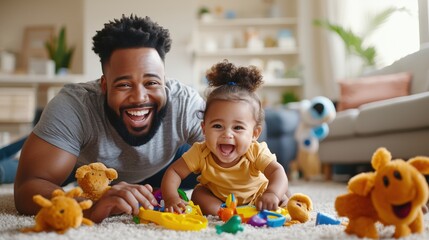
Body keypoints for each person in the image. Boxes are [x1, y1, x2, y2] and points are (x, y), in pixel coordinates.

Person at [14, 15, 205, 223]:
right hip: (87, 169)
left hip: (166, 165)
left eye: (151, 83)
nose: (140, 97)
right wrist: (89, 206)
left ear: (164, 81)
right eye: (124, 84)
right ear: (104, 85)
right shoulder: (74, 106)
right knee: (13, 169)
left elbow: (239, 160)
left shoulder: (185, 103)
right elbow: (27, 189)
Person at [161, 60, 291, 216]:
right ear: (204, 129)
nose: (227, 134)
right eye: (217, 126)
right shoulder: (201, 152)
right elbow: (174, 172)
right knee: (199, 194)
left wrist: (273, 193)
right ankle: (223, 212)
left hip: (257, 197)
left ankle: (275, 200)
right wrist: (171, 197)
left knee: (282, 196)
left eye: (237, 128)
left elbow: (277, 171)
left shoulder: (255, 151)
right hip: (218, 198)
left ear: (254, 134)